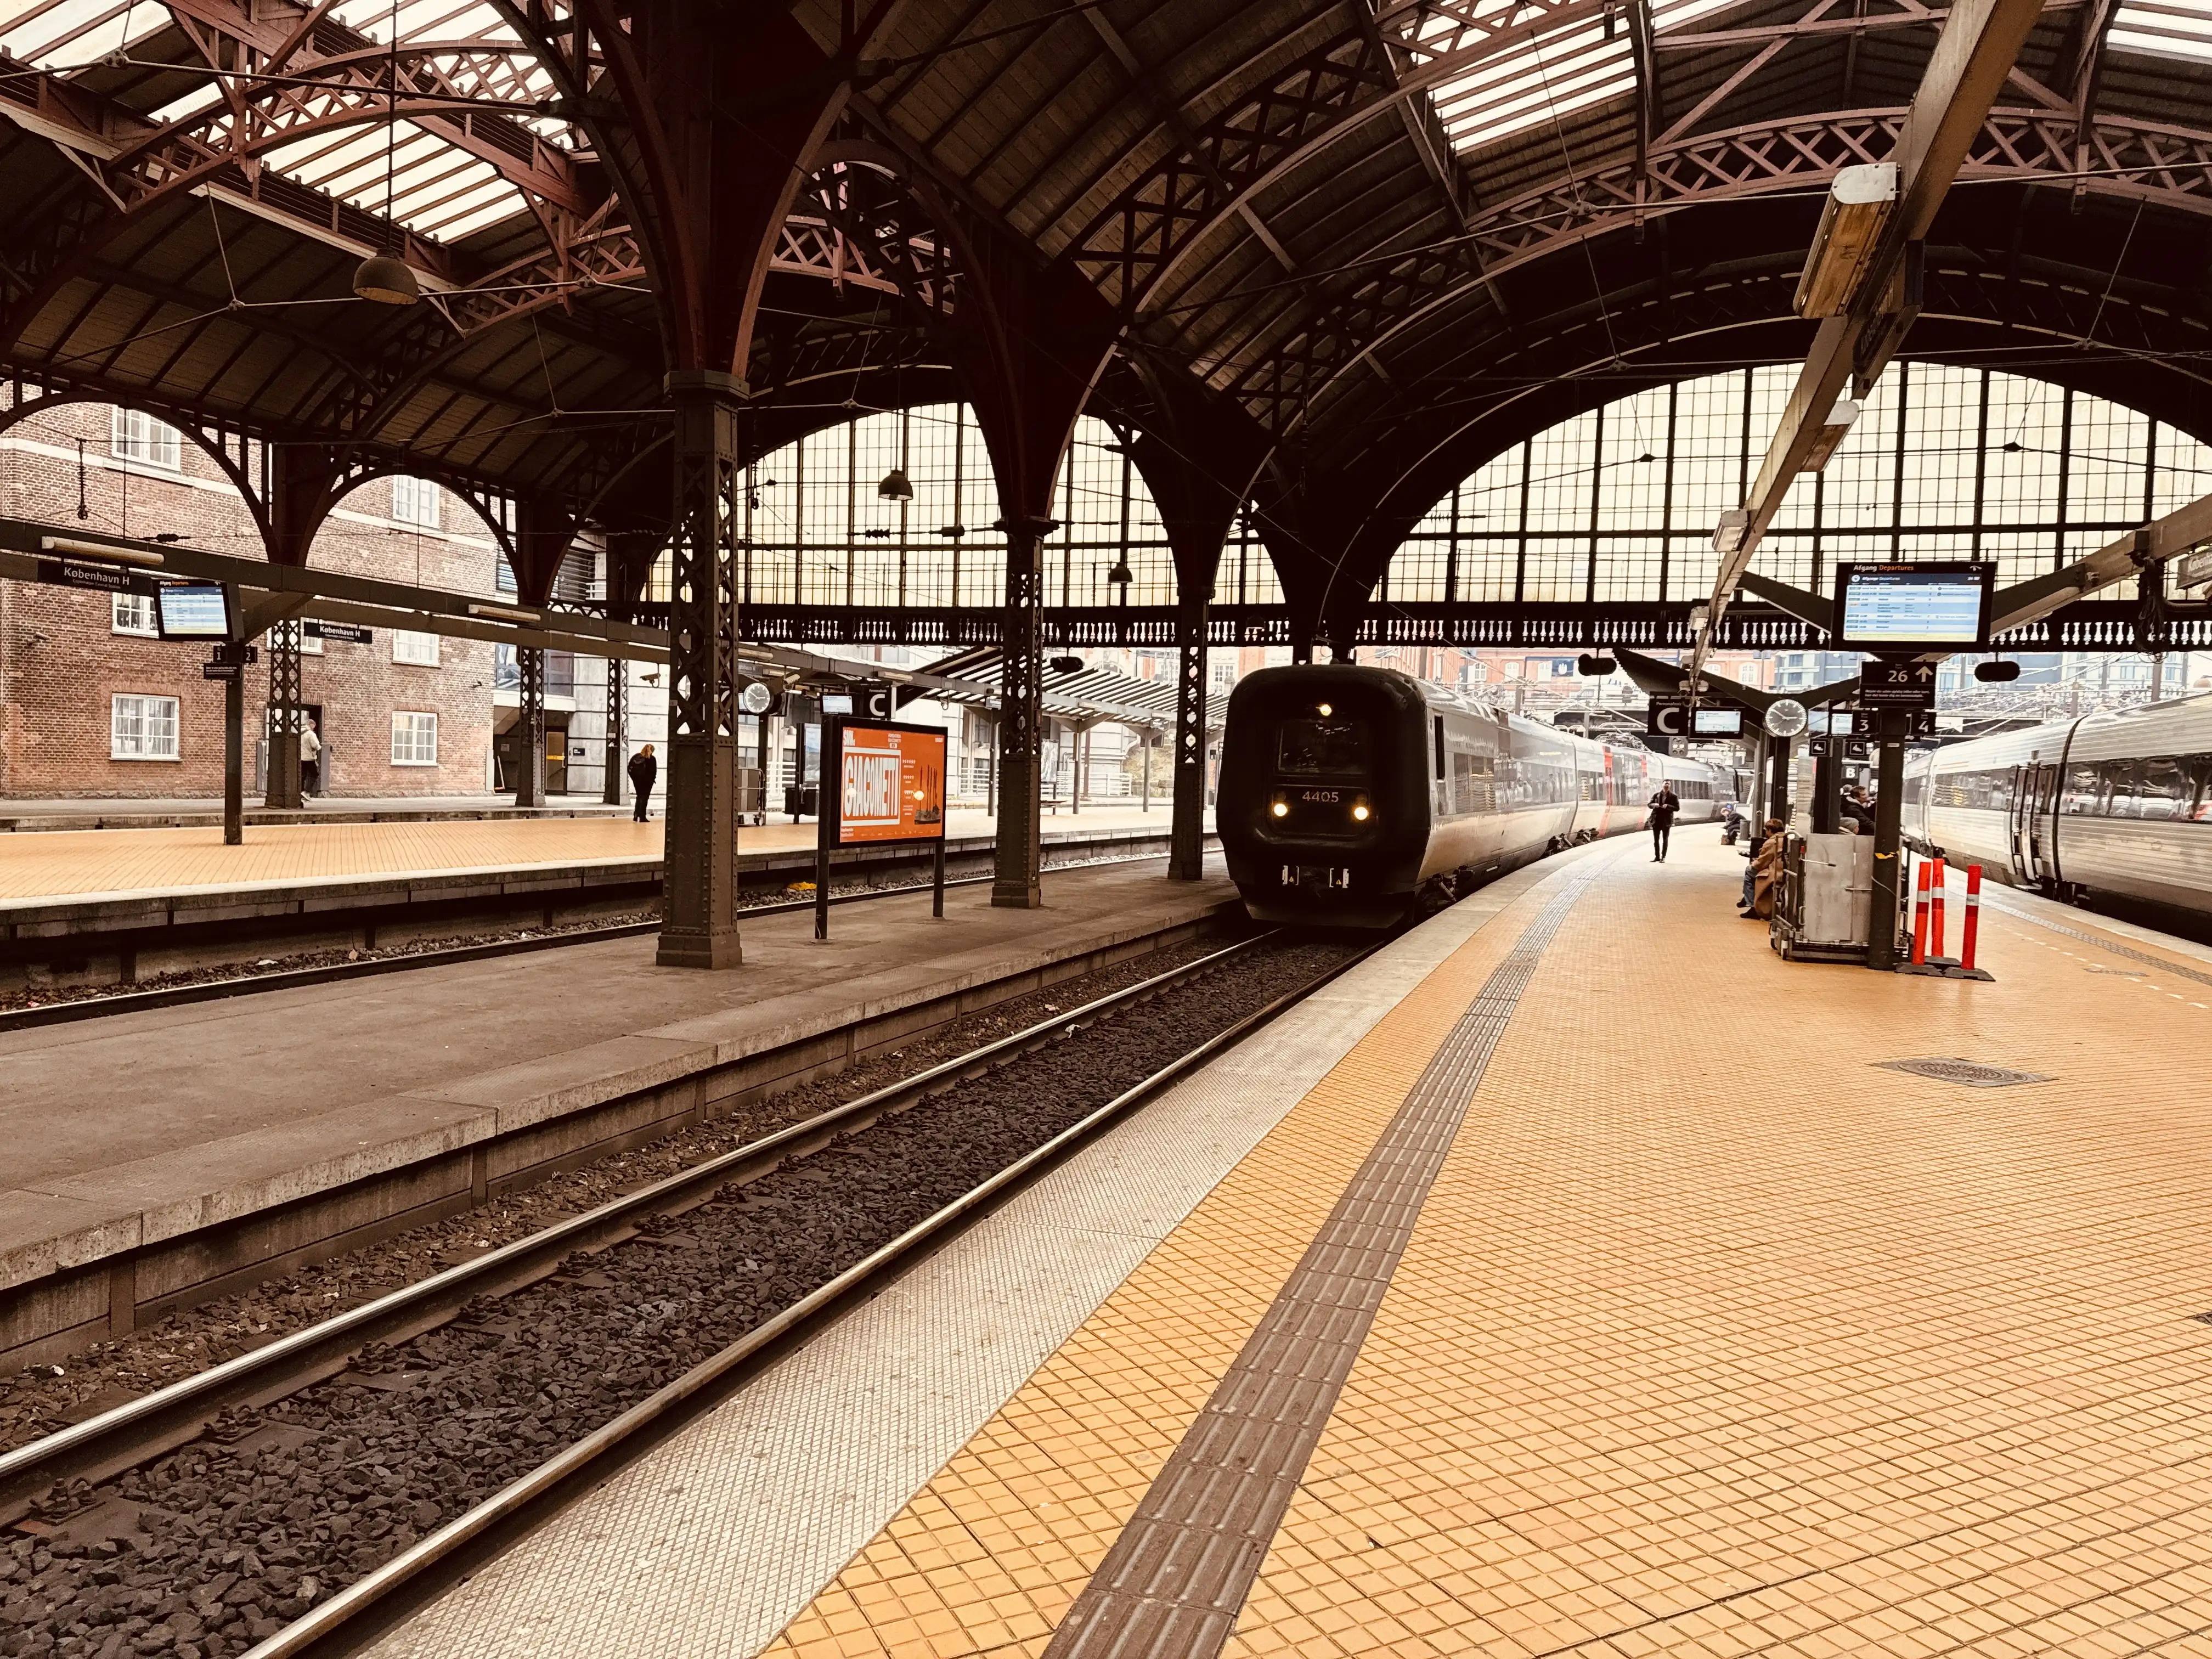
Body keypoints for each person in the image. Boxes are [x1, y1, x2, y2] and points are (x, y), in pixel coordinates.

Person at [1743, 816, 1786, 919]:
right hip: (1783, 870)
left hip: (1775, 872)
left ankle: (1751, 904)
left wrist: (1754, 863)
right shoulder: (1786, 838)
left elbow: (1762, 862)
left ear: (1770, 830)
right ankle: (1748, 898)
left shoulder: (1772, 841)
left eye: (1766, 831)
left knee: (1749, 871)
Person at [1646, 780, 1681, 862]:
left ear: (1670, 786)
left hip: (1667, 821)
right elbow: (1649, 804)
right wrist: (1654, 805)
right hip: (1657, 820)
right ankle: (1657, 857)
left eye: (1668, 784)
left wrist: (1668, 806)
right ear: (1662, 785)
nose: (1667, 785)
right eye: (1666, 783)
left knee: (1665, 840)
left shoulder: (1674, 796)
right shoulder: (1656, 795)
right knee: (1656, 840)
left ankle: (1663, 857)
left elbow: (1677, 808)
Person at [627, 742, 657, 822]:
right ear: (652, 751)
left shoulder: (636, 757)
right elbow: (654, 772)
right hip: (647, 783)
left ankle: (636, 815)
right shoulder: (652, 759)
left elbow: (629, 768)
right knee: (644, 799)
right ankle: (642, 817)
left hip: (637, 781)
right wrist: (651, 780)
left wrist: (634, 779)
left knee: (639, 797)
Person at [297, 718, 322, 798]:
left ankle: (300, 792)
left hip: (301, 758)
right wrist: (319, 747)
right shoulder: (311, 734)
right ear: (311, 725)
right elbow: (315, 745)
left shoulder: (300, 733)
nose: (314, 728)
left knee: (302, 775)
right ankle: (307, 792)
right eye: (314, 726)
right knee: (314, 775)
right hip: (309, 758)